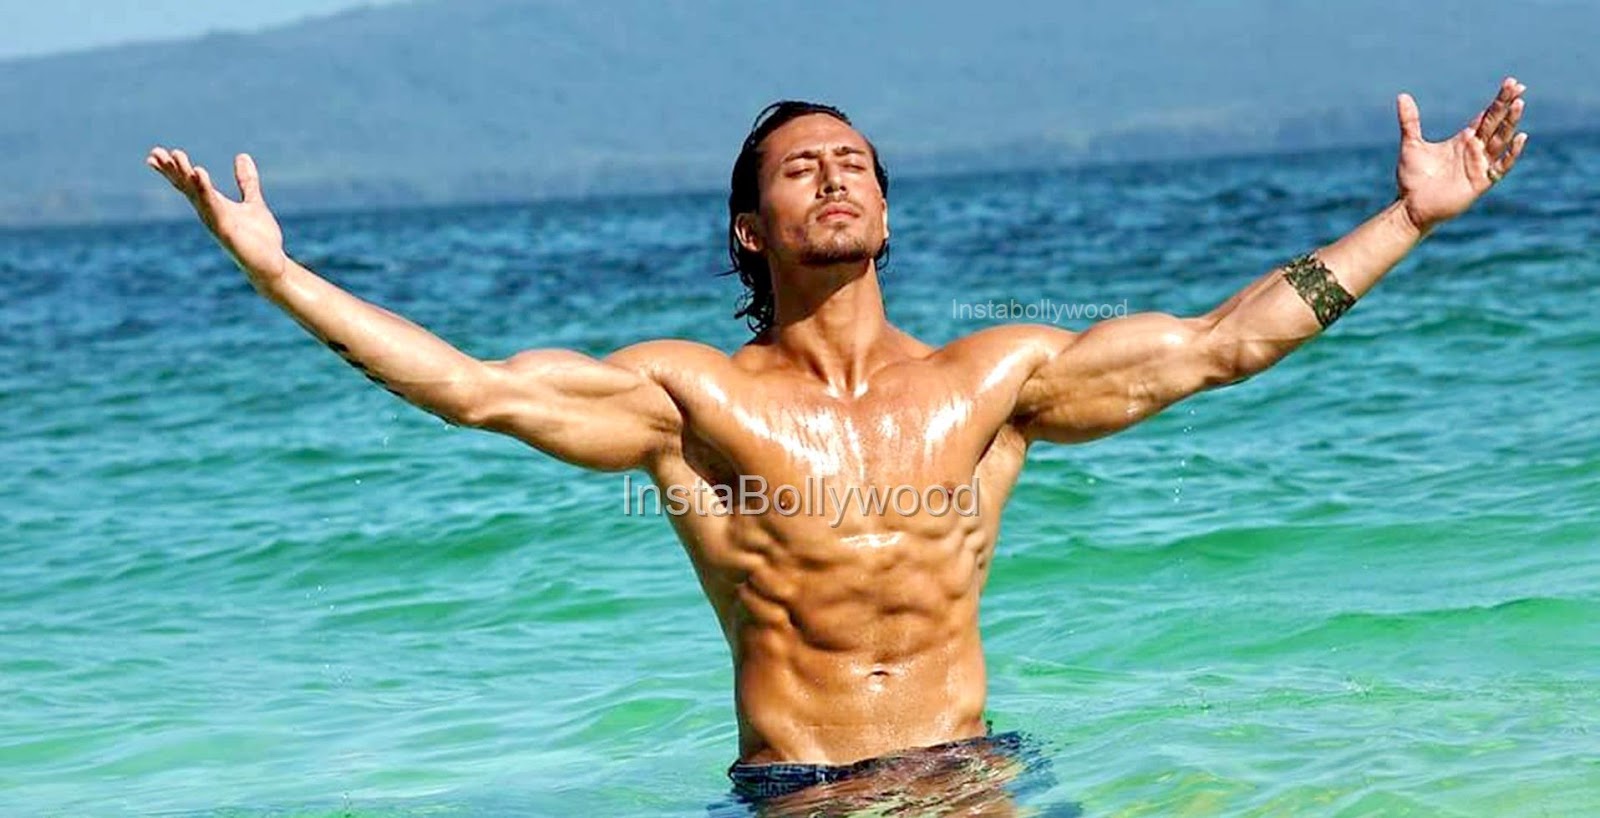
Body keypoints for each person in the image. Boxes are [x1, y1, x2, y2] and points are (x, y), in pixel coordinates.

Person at [146, 77, 1528, 811]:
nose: (836, 174)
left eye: (854, 160)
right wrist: (280, 273)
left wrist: (1408, 220)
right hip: (795, 795)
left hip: (974, 776)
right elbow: (470, 387)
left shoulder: (998, 377)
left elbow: (1223, 342)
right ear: (750, 228)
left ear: (886, 209)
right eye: (801, 167)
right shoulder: (686, 400)